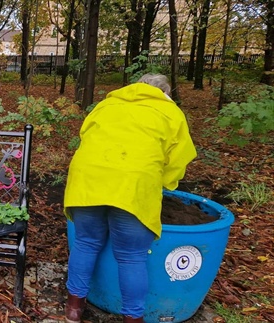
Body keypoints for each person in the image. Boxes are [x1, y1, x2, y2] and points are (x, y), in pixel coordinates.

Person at [63, 74, 197, 323]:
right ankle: (133, 319)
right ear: (164, 93)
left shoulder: (107, 105)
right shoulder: (170, 112)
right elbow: (178, 160)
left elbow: (86, 136)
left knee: (85, 243)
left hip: (87, 180)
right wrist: (163, 182)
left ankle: (73, 309)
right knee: (131, 256)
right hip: (133, 186)